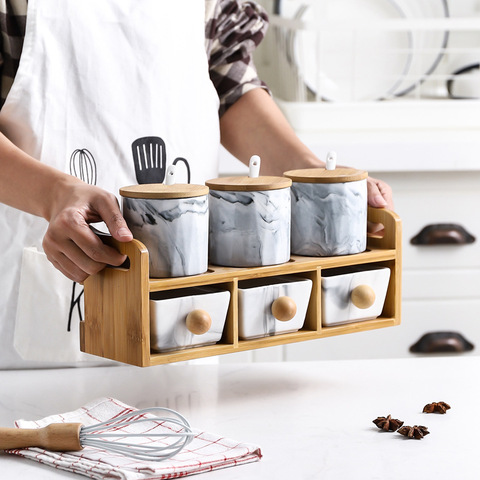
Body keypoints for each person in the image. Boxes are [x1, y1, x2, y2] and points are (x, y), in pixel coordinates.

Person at [0, 0, 393, 369]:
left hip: (187, 317)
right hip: (45, 329)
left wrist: (307, 172)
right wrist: (52, 194)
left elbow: (226, 81)